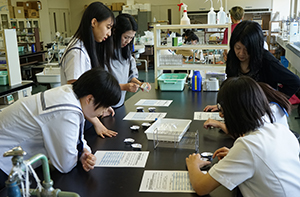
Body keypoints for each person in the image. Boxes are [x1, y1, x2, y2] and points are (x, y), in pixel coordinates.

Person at [0, 68, 121, 190]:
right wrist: (79, 155)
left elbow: (76, 137)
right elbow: (65, 165)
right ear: (89, 99)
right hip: (3, 161)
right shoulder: (66, 111)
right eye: (104, 106)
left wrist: (84, 152)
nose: (104, 111)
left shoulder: (70, 95)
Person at [186, 76, 300, 197]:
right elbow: (264, 161)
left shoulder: (248, 146)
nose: (221, 115)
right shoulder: (280, 130)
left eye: (222, 111)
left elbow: (201, 187)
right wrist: (235, 155)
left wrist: (193, 164)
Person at [204, 20, 300, 112]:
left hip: (263, 113)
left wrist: (273, 102)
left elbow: (295, 82)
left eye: (247, 49)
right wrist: (223, 105)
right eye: (238, 48)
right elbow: (231, 87)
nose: (241, 53)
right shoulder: (232, 57)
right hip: (242, 111)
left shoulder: (267, 61)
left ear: (255, 48)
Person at [60, 2, 117, 138]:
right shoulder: (76, 53)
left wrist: (100, 105)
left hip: (84, 115)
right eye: (107, 27)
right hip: (76, 116)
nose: (109, 34)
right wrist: (97, 123)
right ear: (94, 22)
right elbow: (77, 94)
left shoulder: (84, 48)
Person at [204, 81, 291, 133]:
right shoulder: (266, 102)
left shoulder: (268, 114)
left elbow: (242, 135)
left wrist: (220, 124)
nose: (221, 115)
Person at [109, 13, 151, 108]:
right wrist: (124, 87)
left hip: (120, 103)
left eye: (131, 38)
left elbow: (129, 76)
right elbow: (102, 84)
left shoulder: (125, 52)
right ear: (115, 32)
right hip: (105, 107)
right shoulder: (105, 53)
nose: (128, 41)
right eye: (125, 37)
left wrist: (140, 84)